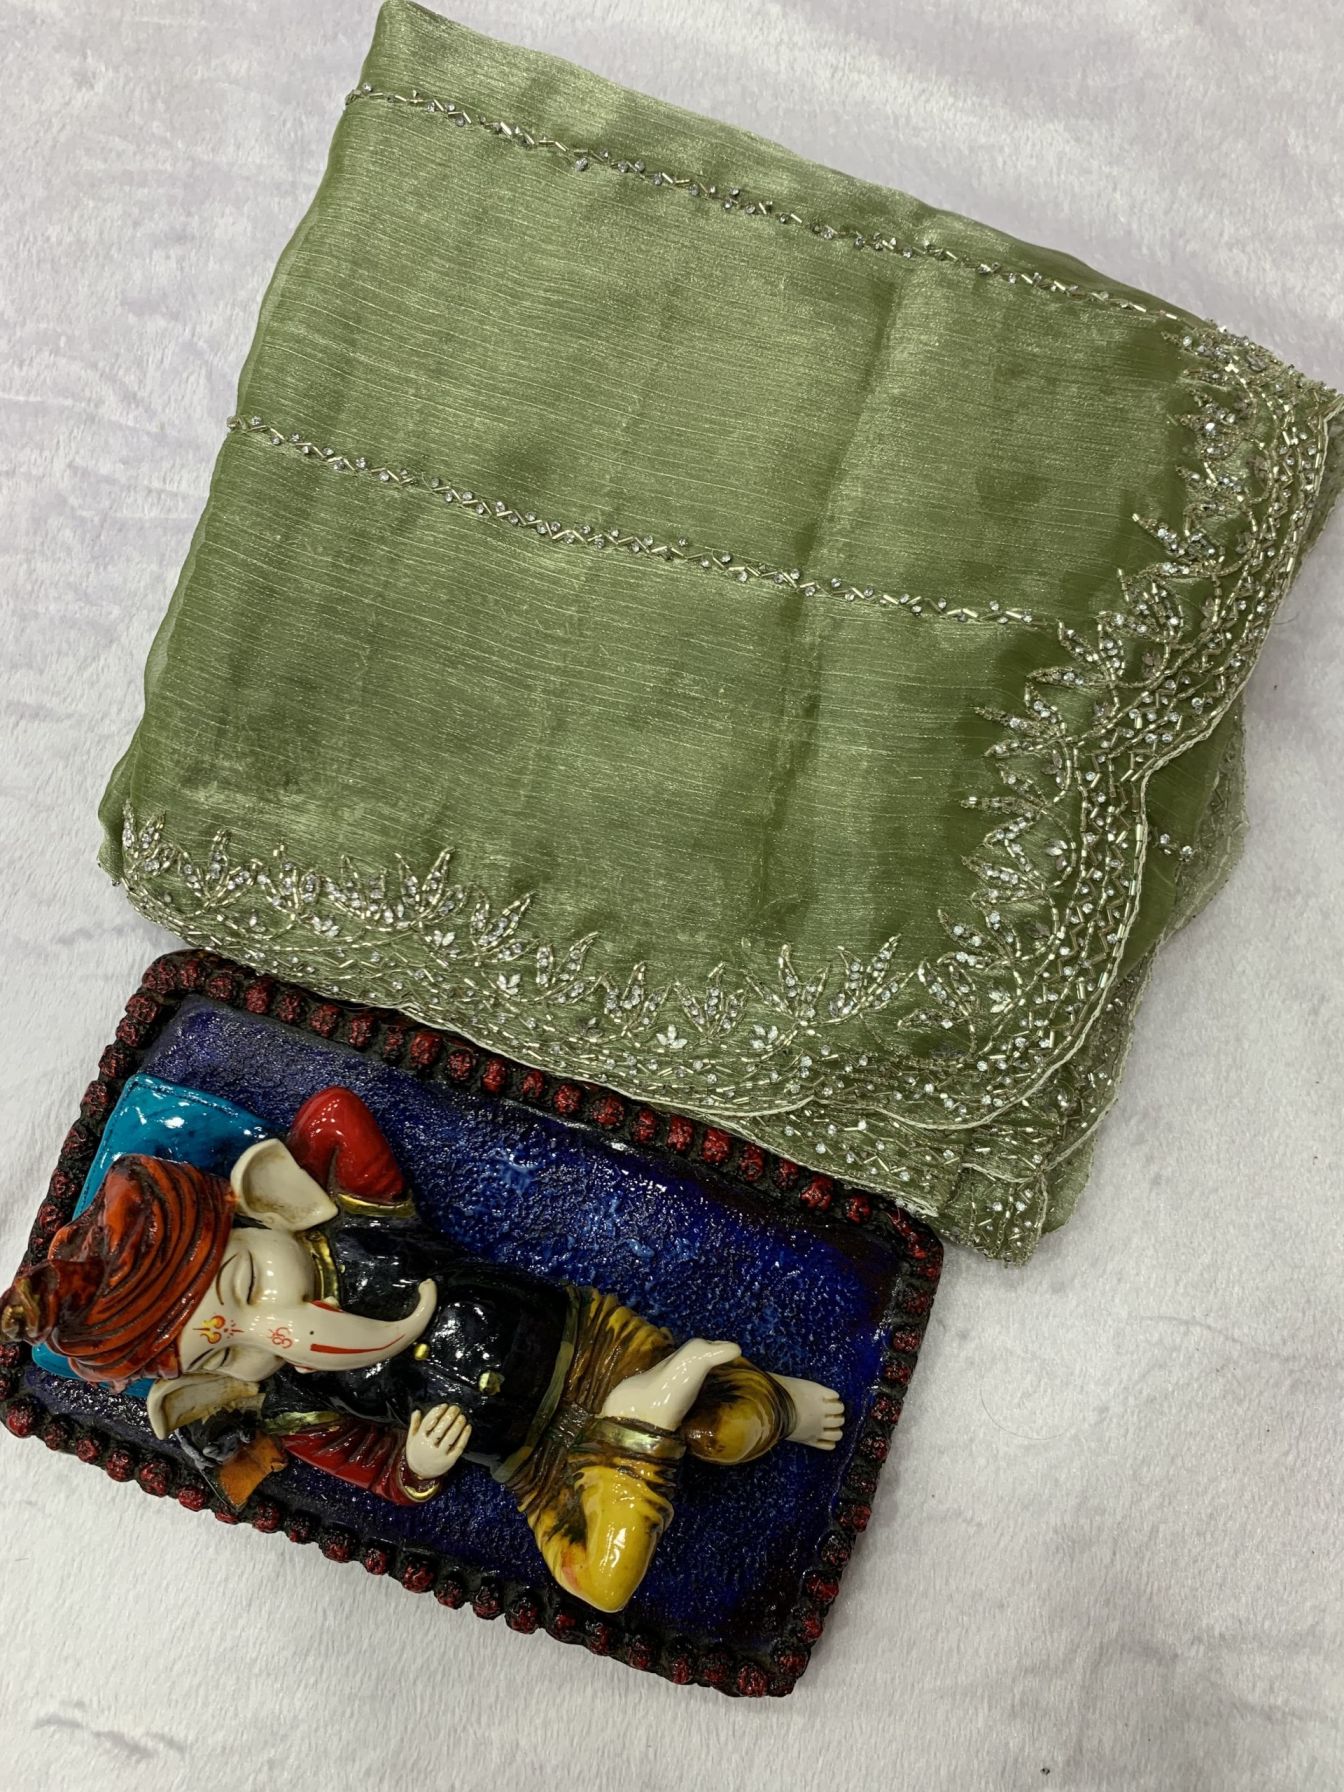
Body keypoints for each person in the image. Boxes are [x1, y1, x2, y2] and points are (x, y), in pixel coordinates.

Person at [0, 1086, 843, 1612]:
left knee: (726, 1432)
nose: (274, 1330)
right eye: (225, 1355)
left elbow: (334, 1114)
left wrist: (301, 1204)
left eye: (249, 1287)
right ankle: (645, 1422)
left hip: (587, 1345)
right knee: (604, 1583)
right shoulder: (291, 1408)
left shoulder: (356, 1227)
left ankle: (747, 1404)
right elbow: (384, 1482)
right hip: (531, 1458)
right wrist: (418, 1463)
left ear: (264, 1213)